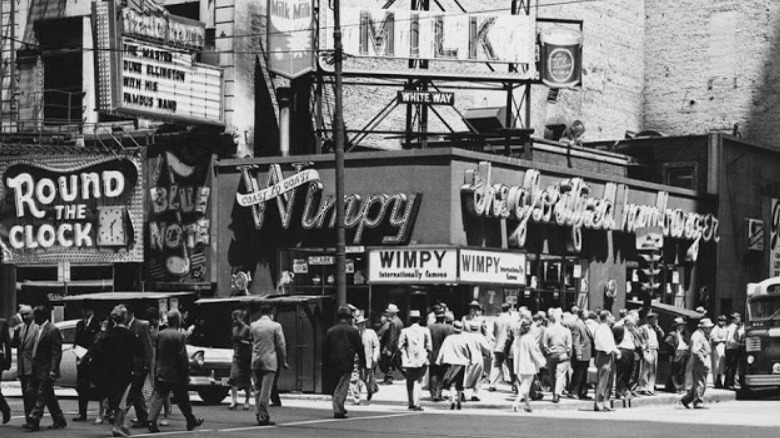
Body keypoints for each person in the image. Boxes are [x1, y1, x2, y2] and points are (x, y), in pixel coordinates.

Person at [147, 310, 204, 433]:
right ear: (178, 320)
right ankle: (190, 419)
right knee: (183, 398)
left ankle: (151, 420)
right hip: (176, 373)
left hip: (161, 370)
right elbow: (182, 357)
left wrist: (156, 368)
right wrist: (185, 373)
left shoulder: (160, 334)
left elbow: (157, 355)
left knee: (158, 396)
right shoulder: (180, 336)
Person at [100, 305, 143, 437]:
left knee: (115, 397)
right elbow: (139, 351)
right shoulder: (129, 334)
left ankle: (120, 424)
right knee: (122, 399)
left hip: (110, 369)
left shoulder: (108, 334)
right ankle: (117, 426)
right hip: (125, 369)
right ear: (124, 318)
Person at [25, 305, 67, 431]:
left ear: (42, 316)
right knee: (48, 395)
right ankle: (59, 419)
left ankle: (34, 418)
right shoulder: (38, 329)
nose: (33, 318)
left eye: (35, 315)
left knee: (42, 394)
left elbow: (56, 352)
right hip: (37, 367)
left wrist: (53, 369)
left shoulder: (52, 330)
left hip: (47, 368)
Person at [324, 306, 365, 419]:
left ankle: (339, 407)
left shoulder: (330, 331)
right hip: (347, 362)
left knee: (336, 386)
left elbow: (325, 349)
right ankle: (338, 409)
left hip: (332, 363)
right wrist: (363, 363)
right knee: (343, 387)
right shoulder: (353, 331)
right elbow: (360, 348)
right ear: (348, 318)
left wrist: (324, 364)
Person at [250, 303, 288, 426]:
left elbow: (251, 339)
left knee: (257, 389)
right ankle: (263, 416)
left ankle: (258, 413)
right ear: (272, 312)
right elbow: (281, 345)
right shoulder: (275, 326)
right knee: (266, 390)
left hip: (256, 360)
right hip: (269, 359)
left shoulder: (254, 325)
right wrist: (284, 360)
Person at [397, 310, 431, 411]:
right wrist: (426, 355)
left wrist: (405, 354)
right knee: (419, 381)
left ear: (410, 320)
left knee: (410, 380)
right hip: (421, 359)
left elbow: (399, 346)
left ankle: (411, 402)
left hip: (409, 360)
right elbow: (429, 346)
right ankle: (417, 402)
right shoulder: (425, 330)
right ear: (419, 319)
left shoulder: (405, 331)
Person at [126, 307, 154, 428]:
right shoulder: (124, 326)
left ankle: (118, 414)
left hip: (139, 365)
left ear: (130, 313)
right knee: (136, 393)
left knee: (133, 392)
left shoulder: (141, 326)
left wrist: (147, 364)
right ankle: (144, 418)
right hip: (129, 365)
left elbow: (148, 346)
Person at [72, 304, 101, 422]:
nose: (83, 312)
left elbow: (97, 342)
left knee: (100, 387)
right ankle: (82, 412)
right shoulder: (80, 324)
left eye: (85, 310)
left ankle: (105, 412)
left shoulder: (97, 323)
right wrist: (78, 355)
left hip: (94, 359)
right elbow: (77, 341)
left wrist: (89, 355)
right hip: (81, 358)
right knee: (82, 387)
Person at [511, 318, 546, 413]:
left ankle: (527, 405)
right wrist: (542, 362)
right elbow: (534, 352)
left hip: (519, 364)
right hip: (529, 364)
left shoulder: (518, 338)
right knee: (525, 386)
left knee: (524, 384)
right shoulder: (529, 338)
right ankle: (516, 402)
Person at [436, 321, 472, 410]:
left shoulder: (449, 338)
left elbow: (442, 350)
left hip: (450, 362)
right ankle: (459, 401)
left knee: (451, 383)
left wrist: (438, 360)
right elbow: (468, 351)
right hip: (461, 363)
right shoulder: (464, 339)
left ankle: (452, 400)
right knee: (460, 384)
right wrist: (470, 360)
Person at [11, 305, 37, 422]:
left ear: (32, 315)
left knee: (31, 393)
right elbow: (14, 344)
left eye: (27, 314)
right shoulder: (20, 328)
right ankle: (28, 418)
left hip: (32, 365)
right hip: (22, 367)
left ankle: (33, 419)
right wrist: (15, 334)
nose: (25, 317)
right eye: (23, 315)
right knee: (26, 395)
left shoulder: (37, 328)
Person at [681, 318, 714, 409]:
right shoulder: (698, 335)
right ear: (704, 328)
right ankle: (698, 402)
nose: (710, 329)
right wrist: (703, 360)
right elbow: (695, 350)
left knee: (699, 383)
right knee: (700, 383)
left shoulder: (703, 335)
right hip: (699, 362)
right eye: (709, 327)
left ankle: (687, 399)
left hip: (703, 361)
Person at [542, 308, 572, 403]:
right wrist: (567, 352)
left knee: (551, 374)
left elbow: (544, 344)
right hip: (563, 354)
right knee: (560, 375)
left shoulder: (548, 330)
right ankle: (557, 393)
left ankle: (554, 391)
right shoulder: (566, 331)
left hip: (552, 354)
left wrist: (548, 351)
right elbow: (569, 345)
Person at [593, 311, 620, 412]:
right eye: (611, 316)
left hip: (610, 354)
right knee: (603, 379)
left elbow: (611, 343)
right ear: (606, 317)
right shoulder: (601, 328)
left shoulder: (608, 328)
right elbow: (600, 343)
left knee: (609, 380)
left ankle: (606, 402)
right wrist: (611, 350)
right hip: (604, 354)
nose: (613, 318)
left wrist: (615, 351)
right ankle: (599, 403)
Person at [352, 313, 380, 404]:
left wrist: (375, 357)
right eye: (359, 324)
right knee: (355, 379)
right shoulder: (354, 333)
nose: (361, 325)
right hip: (357, 359)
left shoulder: (371, 333)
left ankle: (370, 390)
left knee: (367, 378)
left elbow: (376, 345)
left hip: (368, 358)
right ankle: (357, 399)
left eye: (362, 323)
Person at [428, 307, 453, 401]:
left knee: (433, 374)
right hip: (443, 354)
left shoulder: (430, 327)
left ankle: (433, 393)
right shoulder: (447, 328)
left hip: (432, 354)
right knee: (441, 375)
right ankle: (439, 393)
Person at [229, 309, 253, 410]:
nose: (235, 321)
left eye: (236, 319)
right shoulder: (234, 329)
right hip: (236, 355)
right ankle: (234, 400)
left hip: (246, 357)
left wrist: (243, 342)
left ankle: (247, 400)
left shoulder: (247, 329)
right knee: (233, 378)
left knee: (246, 379)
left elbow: (252, 343)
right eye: (233, 319)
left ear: (241, 318)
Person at [488, 303, 514, 392]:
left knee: (496, 365)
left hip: (498, 345)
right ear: (510, 309)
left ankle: (492, 384)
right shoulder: (511, 320)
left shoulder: (496, 320)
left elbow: (494, 333)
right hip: (507, 346)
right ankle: (514, 384)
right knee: (511, 366)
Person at [637, 312, 663, 396]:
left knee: (653, 370)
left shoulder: (655, 329)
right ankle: (644, 387)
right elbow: (640, 337)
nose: (656, 320)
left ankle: (650, 388)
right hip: (648, 350)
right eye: (654, 318)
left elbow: (662, 335)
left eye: (656, 318)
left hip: (655, 349)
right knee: (646, 369)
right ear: (649, 319)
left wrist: (658, 328)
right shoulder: (644, 328)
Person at [569, 308, 593, 400]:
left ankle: (582, 392)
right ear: (582, 314)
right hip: (581, 353)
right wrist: (578, 353)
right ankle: (574, 391)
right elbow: (576, 340)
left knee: (583, 374)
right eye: (586, 312)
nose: (588, 313)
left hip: (586, 353)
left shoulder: (584, 323)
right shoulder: (577, 325)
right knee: (578, 373)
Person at [464, 321, 491, 402]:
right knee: (477, 377)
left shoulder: (465, 336)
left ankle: (462, 392)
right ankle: (475, 393)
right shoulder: (480, 337)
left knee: (466, 376)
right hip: (478, 358)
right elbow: (487, 348)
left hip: (467, 358)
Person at [379, 304, 404, 384]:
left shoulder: (393, 323)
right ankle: (388, 377)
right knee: (395, 362)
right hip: (397, 344)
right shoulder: (399, 321)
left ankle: (388, 378)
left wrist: (388, 348)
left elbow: (391, 337)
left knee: (389, 361)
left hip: (392, 345)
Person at [665, 317, 690, 393]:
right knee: (676, 371)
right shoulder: (672, 334)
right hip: (678, 353)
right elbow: (667, 342)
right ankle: (677, 387)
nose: (681, 327)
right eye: (679, 325)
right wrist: (674, 350)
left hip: (684, 352)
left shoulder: (684, 334)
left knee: (682, 371)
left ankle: (681, 387)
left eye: (682, 325)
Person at [724, 313, 743, 389]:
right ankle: (729, 383)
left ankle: (730, 383)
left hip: (732, 348)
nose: (739, 319)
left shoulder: (734, 327)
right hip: (732, 349)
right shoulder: (733, 327)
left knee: (732, 367)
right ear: (734, 319)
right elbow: (729, 339)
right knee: (731, 367)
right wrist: (738, 343)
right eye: (737, 318)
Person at [710, 315, 728, 388]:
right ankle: (717, 381)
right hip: (717, 348)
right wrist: (721, 340)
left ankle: (721, 380)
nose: (722, 322)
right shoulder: (715, 329)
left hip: (723, 348)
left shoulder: (725, 328)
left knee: (722, 366)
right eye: (721, 321)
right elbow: (713, 339)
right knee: (717, 365)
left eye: (723, 321)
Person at [0, 313, 11, 424]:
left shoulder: (2, 323)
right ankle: (4, 408)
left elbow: (7, 344)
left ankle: (4, 409)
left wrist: (7, 361)